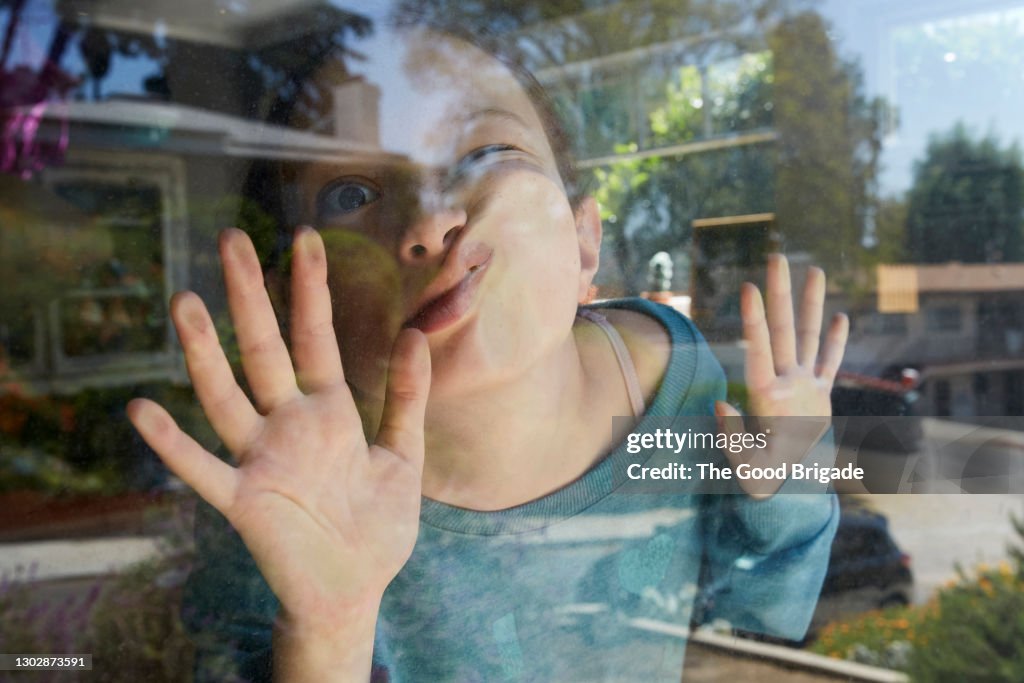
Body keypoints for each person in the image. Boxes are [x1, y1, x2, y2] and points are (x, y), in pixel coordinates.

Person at [127, 20, 848, 683]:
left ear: (585, 242)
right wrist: (327, 630)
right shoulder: (284, 491)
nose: (432, 217)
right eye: (350, 192)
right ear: (294, 301)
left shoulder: (673, 369)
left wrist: (789, 479)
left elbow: (759, 628)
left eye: (488, 151)